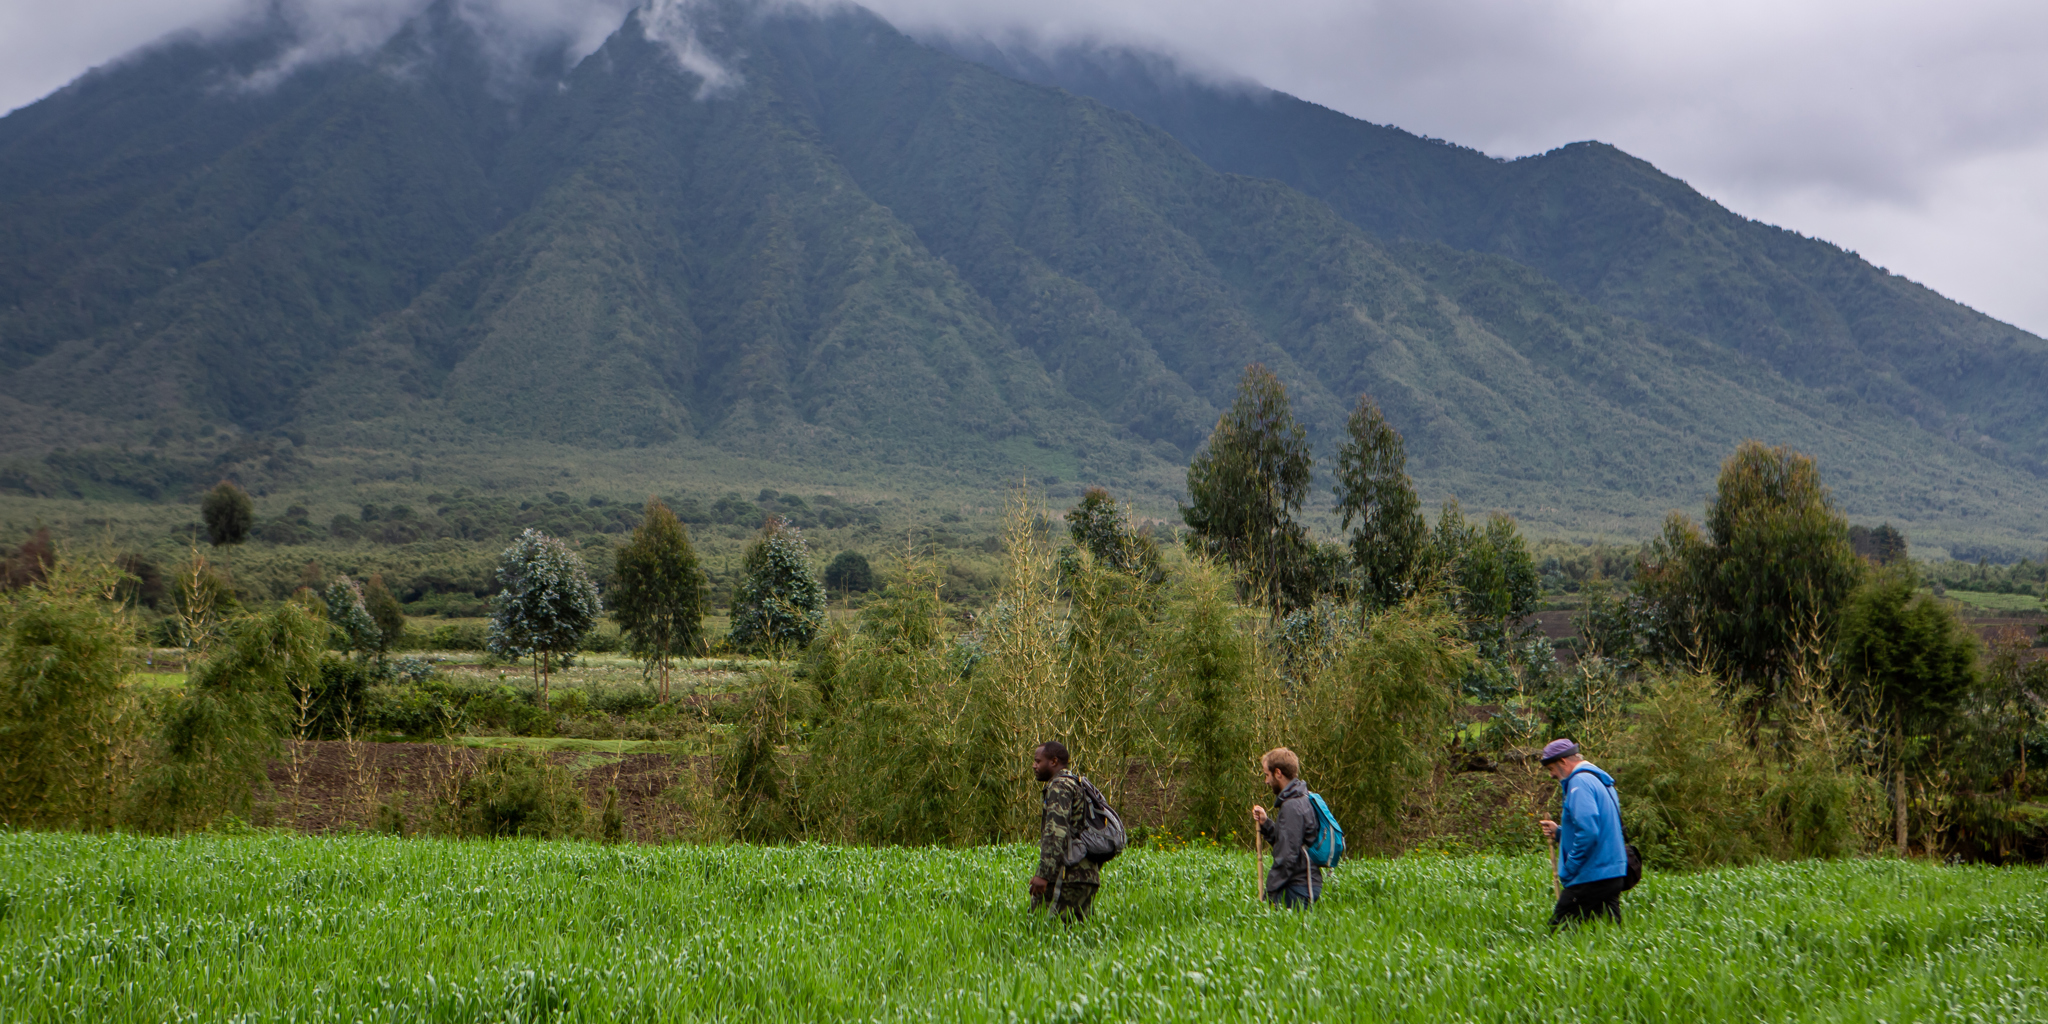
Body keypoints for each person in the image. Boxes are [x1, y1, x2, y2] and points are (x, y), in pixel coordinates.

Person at [1536, 738, 1628, 929]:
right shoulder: (1600, 780)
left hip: (1591, 875)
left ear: (1563, 761)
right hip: (1612, 872)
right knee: (1607, 937)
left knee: (1559, 933)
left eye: (1551, 768)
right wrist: (1560, 833)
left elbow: (1588, 832)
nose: (1551, 774)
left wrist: (1570, 868)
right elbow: (1602, 828)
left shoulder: (1579, 783)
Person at [1028, 741, 1099, 922]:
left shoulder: (1059, 787)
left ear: (1053, 761)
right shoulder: (1076, 784)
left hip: (1066, 875)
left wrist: (1043, 874)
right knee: (1076, 938)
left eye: (1038, 761)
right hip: (1086, 875)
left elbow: (1055, 833)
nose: (1034, 766)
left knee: (1044, 932)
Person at [1250, 747, 1321, 907]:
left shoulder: (1292, 806)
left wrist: (1270, 893)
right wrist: (1266, 824)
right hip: (1302, 884)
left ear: (1278, 773)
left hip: (1298, 887)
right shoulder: (1300, 799)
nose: (1266, 781)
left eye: (1267, 775)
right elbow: (1287, 841)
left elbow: (1286, 856)